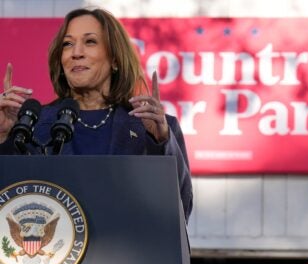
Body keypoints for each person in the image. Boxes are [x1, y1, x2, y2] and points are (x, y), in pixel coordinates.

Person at [0, 8, 193, 222]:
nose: (76, 52)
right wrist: (3, 137)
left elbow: (181, 210)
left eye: (90, 41)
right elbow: (11, 200)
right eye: (68, 44)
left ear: (115, 60)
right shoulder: (32, 126)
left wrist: (161, 142)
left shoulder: (152, 127)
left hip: (128, 252)